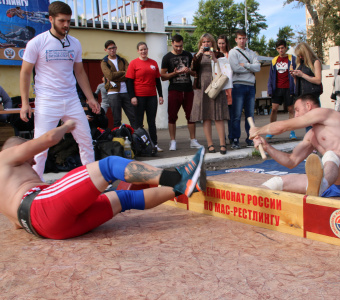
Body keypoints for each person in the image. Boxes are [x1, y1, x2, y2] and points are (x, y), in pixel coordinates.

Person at [0, 119, 206, 240]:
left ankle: (184, 187)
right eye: (29, 159)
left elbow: (17, 224)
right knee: (108, 166)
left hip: (49, 230)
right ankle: (177, 178)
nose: (34, 164)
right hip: (42, 207)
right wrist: (67, 125)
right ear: (17, 150)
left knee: (122, 199)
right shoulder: (5, 156)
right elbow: (48, 139)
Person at [19, 1, 100, 180]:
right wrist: (25, 103)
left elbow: (79, 72)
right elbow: (25, 73)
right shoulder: (37, 43)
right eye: (62, 20)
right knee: (41, 147)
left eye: (69, 21)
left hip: (71, 100)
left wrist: (90, 98)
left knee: (86, 140)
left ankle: (92, 181)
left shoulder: (75, 43)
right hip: (47, 101)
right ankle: (34, 186)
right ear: (51, 19)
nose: (66, 25)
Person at [249, 93, 340, 198]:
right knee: (276, 182)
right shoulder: (311, 135)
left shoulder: (328, 114)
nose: (296, 115)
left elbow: (284, 127)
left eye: (297, 110)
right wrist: (267, 147)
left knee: (330, 155)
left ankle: (320, 187)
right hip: (328, 182)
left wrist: (258, 130)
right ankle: (250, 200)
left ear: (308, 106)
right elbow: (291, 161)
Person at [161, 34, 202, 151]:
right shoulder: (166, 57)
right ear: (172, 44)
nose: (179, 48)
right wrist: (174, 73)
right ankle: (172, 141)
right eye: (176, 46)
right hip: (174, 89)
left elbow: (196, 73)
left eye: (181, 46)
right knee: (172, 116)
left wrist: (189, 71)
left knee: (191, 116)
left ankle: (193, 140)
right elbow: (162, 76)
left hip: (188, 89)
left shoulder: (188, 55)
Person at [190, 34, 230, 155]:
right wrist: (198, 54)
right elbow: (193, 68)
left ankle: (223, 144)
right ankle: (210, 144)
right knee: (206, 116)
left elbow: (224, 69)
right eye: (204, 42)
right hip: (203, 88)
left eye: (208, 42)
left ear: (212, 43)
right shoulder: (197, 56)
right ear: (201, 44)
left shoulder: (219, 54)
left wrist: (214, 58)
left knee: (218, 116)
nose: (206, 44)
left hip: (216, 87)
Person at [126, 42, 164, 152]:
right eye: (141, 50)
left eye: (145, 49)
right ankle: (139, 146)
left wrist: (160, 95)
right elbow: (129, 82)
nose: (143, 51)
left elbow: (157, 80)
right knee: (138, 123)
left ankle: (154, 144)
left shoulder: (153, 63)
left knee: (151, 122)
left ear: (147, 50)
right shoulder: (133, 63)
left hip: (152, 96)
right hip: (139, 96)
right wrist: (132, 97)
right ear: (138, 51)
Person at [228, 29, 260, 149]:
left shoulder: (252, 53)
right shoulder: (233, 52)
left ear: (246, 39)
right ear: (236, 39)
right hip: (238, 85)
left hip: (251, 86)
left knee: (250, 115)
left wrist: (246, 65)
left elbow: (258, 67)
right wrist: (251, 69)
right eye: (239, 38)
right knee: (236, 115)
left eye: (244, 38)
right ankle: (235, 139)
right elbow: (235, 68)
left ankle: (250, 138)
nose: (242, 40)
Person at [101, 40, 136, 128]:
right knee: (117, 118)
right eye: (109, 48)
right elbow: (110, 75)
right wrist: (122, 73)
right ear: (106, 50)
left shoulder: (123, 60)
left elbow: (129, 74)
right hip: (113, 92)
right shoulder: (104, 62)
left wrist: (115, 76)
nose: (112, 50)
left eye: (113, 48)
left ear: (116, 48)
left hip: (125, 91)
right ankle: (118, 138)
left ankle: (136, 136)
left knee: (133, 116)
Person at [267, 39, 297, 140]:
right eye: (279, 48)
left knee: (290, 109)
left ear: (285, 48)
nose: (281, 50)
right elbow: (271, 76)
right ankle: (272, 130)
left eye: (282, 48)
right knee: (274, 109)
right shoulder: (274, 60)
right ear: (277, 49)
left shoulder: (292, 59)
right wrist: (270, 89)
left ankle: (292, 132)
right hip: (277, 88)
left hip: (289, 88)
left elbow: (297, 72)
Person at [217, 34, 233, 145]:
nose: (221, 45)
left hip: (230, 86)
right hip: (219, 86)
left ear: (226, 43)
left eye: (223, 43)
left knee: (231, 115)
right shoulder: (215, 54)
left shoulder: (230, 54)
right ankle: (223, 139)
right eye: (219, 43)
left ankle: (231, 136)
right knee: (221, 115)